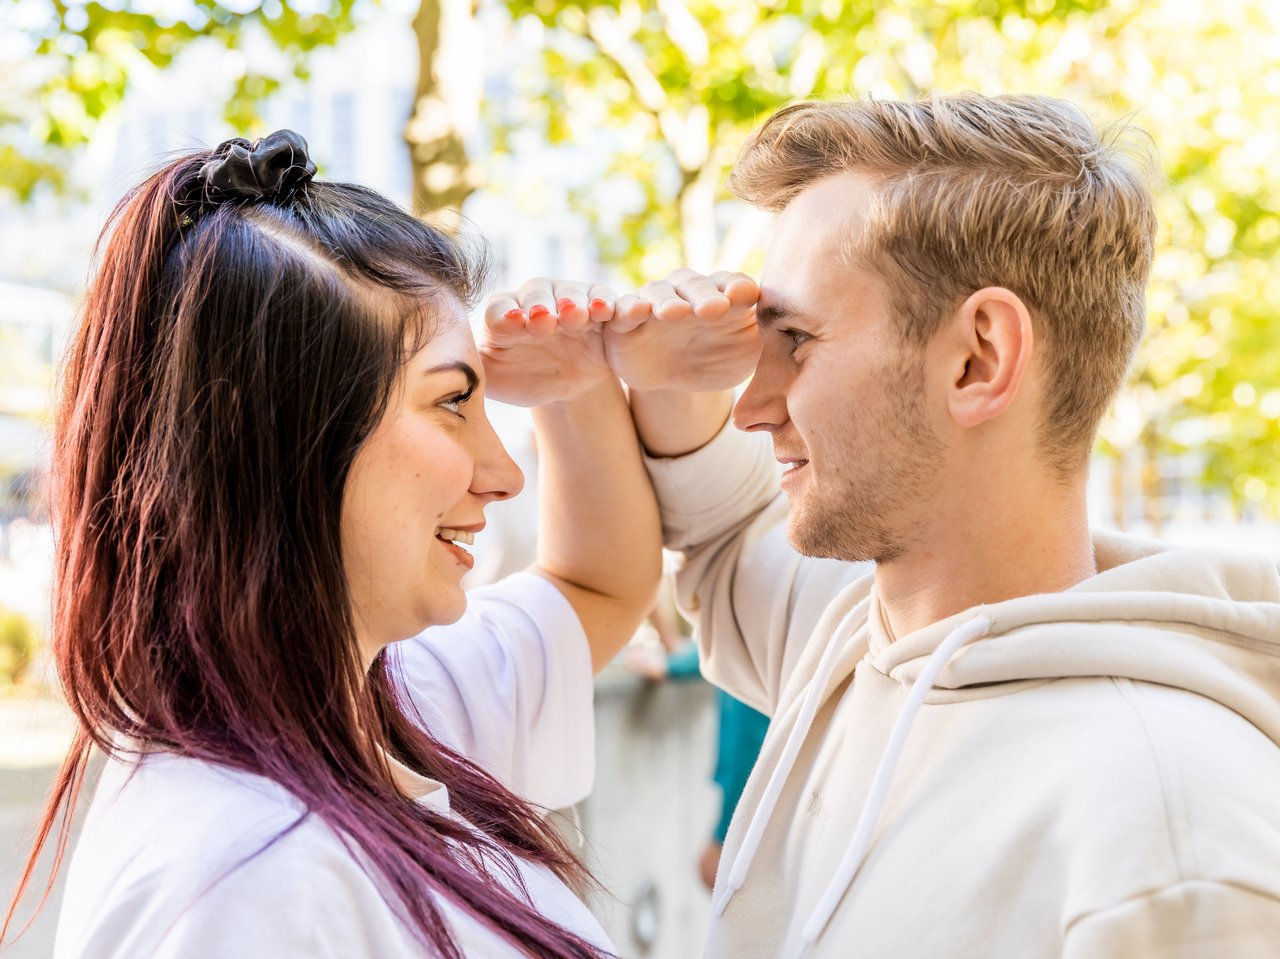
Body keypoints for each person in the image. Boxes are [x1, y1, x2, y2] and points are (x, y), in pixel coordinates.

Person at [505, 93, 1280, 957]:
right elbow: (725, 536)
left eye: (794, 338)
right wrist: (653, 369)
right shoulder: (856, 638)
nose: (751, 408)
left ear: (978, 358)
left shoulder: (1174, 839)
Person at [1, 131, 665, 958]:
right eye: (452, 402)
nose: (503, 473)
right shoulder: (249, 878)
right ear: (278, 439)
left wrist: (574, 378)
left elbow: (600, 583)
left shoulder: (386, 702)